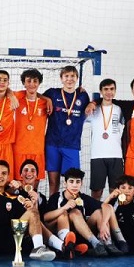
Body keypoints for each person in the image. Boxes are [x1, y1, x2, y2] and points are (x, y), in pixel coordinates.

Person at [0, 160, 56, 261]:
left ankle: (38, 247)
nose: (0, 176)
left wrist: (30, 206)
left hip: (12, 239)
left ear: (8, 176)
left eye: (4, 173)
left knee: (32, 211)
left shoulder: (16, 194)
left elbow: (31, 218)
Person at [43, 66, 90, 194]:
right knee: (53, 183)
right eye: (66, 76)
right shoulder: (52, 93)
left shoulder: (83, 96)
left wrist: (93, 103)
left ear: (77, 78)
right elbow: (35, 95)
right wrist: (47, 99)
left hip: (72, 145)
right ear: (61, 78)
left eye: (72, 76)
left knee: (72, 183)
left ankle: (70, 206)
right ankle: (53, 205)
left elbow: (88, 110)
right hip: (52, 144)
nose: (69, 79)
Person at [85, 78, 125, 200]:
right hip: (97, 155)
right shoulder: (93, 109)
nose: (109, 92)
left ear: (115, 91)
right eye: (106, 89)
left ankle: (115, 211)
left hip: (116, 155)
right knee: (97, 191)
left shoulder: (120, 109)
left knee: (116, 191)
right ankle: (94, 211)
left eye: (112, 89)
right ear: (101, 91)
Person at [13, 69, 51, 192]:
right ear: (23, 83)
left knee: (34, 188)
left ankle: (34, 205)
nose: (32, 84)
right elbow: (4, 91)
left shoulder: (45, 103)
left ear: (39, 83)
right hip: (19, 149)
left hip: (37, 150)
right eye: (28, 81)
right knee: (18, 187)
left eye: (35, 81)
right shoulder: (17, 98)